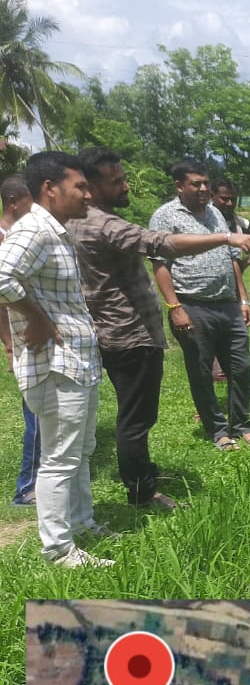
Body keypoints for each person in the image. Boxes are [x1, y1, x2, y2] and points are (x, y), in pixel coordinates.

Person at [70, 149, 250, 508]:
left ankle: (144, 479)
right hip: (128, 333)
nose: (126, 186)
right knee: (136, 418)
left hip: (131, 330)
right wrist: (226, 239)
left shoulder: (80, 222)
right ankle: (142, 492)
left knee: (141, 415)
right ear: (91, 187)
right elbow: (161, 246)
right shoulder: (103, 224)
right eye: (117, 181)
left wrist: (241, 292)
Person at [0, 152, 111, 567]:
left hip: (76, 361)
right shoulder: (35, 229)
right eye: (80, 186)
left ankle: (81, 524)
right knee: (59, 459)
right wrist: (38, 318)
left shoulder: (54, 231)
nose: (88, 194)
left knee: (79, 451)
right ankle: (59, 550)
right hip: (55, 364)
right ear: (49, 188)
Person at [148, 160, 250, 451]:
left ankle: (241, 425)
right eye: (196, 183)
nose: (203, 188)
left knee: (241, 368)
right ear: (179, 185)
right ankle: (218, 430)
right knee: (201, 371)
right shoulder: (165, 216)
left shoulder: (215, 213)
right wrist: (175, 308)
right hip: (192, 305)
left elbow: (232, 258)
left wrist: (243, 299)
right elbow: (160, 265)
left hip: (228, 305)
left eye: (206, 183)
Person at [208, 178, 250, 383]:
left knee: (232, 326)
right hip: (205, 286)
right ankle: (215, 369)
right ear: (212, 196)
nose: (229, 203)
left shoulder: (239, 223)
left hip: (232, 284)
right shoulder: (202, 221)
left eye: (233, 199)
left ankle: (225, 369)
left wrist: (245, 263)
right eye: (224, 199)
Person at [0, 175, 38, 506]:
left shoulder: (25, 234)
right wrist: (9, 346)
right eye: (31, 200)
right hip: (22, 338)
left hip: (34, 335)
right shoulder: (4, 239)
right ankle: (27, 486)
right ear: (13, 202)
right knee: (35, 414)